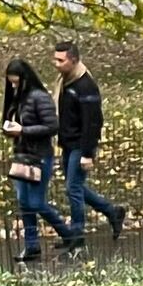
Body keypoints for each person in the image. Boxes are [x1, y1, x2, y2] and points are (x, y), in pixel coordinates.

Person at [1, 58, 80, 262]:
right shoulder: (17, 98)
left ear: (25, 79)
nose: (13, 86)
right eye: (11, 82)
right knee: (24, 202)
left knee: (36, 202)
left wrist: (23, 130)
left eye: (16, 82)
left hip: (39, 156)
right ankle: (32, 245)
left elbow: (52, 126)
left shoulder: (39, 97)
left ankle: (69, 233)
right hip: (22, 155)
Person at [49, 39, 127, 243]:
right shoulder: (65, 82)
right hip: (67, 143)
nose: (56, 64)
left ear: (73, 60)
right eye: (55, 59)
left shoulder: (85, 85)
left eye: (60, 60)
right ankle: (112, 211)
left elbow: (93, 122)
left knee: (73, 188)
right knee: (75, 186)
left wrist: (87, 153)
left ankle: (77, 234)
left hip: (80, 145)